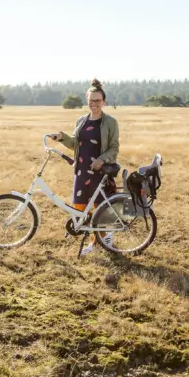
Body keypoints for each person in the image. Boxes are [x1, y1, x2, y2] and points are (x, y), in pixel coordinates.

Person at [48, 79, 120, 255]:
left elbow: (114, 148)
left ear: (104, 102)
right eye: (91, 100)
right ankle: (101, 236)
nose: (94, 103)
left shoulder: (110, 122)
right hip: (81, 171)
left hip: (99, 172)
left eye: (97, 100)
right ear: (87, 100)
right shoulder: (81, 120)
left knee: (99, 209)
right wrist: (62, 137)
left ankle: (98, 242)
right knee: (79, 208)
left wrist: (102, 160)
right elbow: (75, 144)